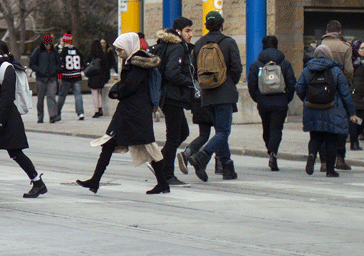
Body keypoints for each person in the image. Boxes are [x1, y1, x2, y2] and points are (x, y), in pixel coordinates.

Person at [76, 32, 170, 195]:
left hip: (135, 113)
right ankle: (95, 180)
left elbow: (129, 86)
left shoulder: (136, 64)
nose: (118, 54)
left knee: (148, 147)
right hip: (132, 112)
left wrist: (116, 91)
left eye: (120, 50)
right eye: (116, 51)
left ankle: (163, 183)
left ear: (128, 46)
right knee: (109, 143)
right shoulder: (135, 62)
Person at [0, 41, 47, 198]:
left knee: (15, 153)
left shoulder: (7, 68)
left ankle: (37, 183)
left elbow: (6, 97)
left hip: (6, 119)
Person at [187, 10, 243, 182]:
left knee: (220, 132)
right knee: (223, 131)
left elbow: (194, 70)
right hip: (224, 93)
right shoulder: (228, 42)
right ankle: (203, 156)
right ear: (221, 24)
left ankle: (227, 167)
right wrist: (228, 83)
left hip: (207, 95)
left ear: (206, 26)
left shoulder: (199, 44)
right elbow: (236, 68)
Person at [295, 45, 359, 177]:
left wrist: (307, 100)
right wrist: (351, 112)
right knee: (331, 140)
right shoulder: (335, 71)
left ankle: (312, 155)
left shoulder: (307, 70)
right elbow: (345, 93)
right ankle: (330, 170)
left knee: (315, 137)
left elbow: (299, 88)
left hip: (312, 109)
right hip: (332, 109)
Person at [246, 35, 296, 171]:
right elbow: (292, 83)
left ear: (263, 46)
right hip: (280, 102)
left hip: (263, 102)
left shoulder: (256, 64)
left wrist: (258, 98)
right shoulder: (285, 63)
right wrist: (286, 98)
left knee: (266, 128)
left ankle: (270, 149)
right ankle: (273, 153)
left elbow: (251, 85)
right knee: (276, 129)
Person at [153, 25, 194, 186]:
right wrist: (190, 82)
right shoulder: (176, 48)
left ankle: (160, 162)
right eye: (188, 31)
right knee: (174, 136)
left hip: (166, 96)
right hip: (173, 97)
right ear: (179, 33)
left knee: (183, 132)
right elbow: (172, 72)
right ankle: (167, 174)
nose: (191, 34)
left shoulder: (163, 46)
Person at [318, 20, 355, 170]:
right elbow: (349, 70)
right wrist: (345, 84)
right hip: (338, 93)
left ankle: (324, 161)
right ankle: (340, 158)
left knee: (321, 125)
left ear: (327, 31)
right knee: (340, 125)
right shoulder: (345, 47)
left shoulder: (319, 45)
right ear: (340, 32)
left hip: (320, 91)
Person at [29, 34, 60, 123]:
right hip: (41, 78)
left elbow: (59, 63)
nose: (48, 46)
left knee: (51, 96)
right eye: (47, 44)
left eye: (50, 44)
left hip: (52, 77)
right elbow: (32, 63)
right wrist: (39, 70)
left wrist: (55, 70)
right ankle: (40, 115)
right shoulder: (38, 51)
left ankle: (52, 115)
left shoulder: (54, 52)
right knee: (40, 98)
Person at [55, 33, 85, 120]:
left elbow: (60, 65)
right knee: (78, 95)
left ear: (64, 41)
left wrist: (59, 76)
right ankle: (80, 113)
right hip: (76, 75)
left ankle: (57, 112)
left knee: (62, 96)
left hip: (66, 77)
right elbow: (82, 63)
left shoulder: (63, 51)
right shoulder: (77, 50)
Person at [86, 38, 114, 118]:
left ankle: (96, 110)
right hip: (101, 77)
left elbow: (87, 64)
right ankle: (101, 107)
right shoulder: (103, 54)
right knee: (100, 93)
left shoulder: (90, 54)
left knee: (94, 94)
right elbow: (106, 66)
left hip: (93, 76)